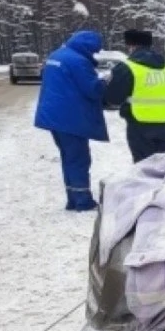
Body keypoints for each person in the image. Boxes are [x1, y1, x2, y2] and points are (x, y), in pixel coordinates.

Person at [32, 30, 108, 211]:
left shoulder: (57, 55)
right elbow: (92, 89)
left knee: (68, 157)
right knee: (79, 159)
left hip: (53, 116)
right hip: (70, 117)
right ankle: (82, 200)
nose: (94, 54)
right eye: (94, 50)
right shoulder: (78, 62)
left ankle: (72, 198)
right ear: (87, 46)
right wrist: (105, 81)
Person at [102, 28, 165, 162]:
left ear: (131, 46)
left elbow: (113, 98)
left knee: (144, 166)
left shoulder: (127, 67)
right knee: (164, 164)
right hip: (164, 124)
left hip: (139, 125)